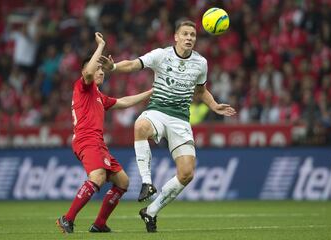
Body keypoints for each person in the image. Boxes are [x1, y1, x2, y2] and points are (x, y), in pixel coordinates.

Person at [99, 20, 236, 232]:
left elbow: (200, 90)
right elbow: (135, 64)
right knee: (140, 126)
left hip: (180, 119)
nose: (189, 38)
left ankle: (150, 212)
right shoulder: (161, 55)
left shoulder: (201, 63)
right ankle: (146, 182)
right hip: (158, 111)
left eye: (193, 35)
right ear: (176, 37)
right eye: (185, 34)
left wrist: (214, 105)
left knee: (187, 173)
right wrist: (114, 67)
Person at [56, 32, 153, 234]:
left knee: (123, 182)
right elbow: (89, 74)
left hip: (98, 143)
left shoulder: (98, 96)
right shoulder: (82, 86)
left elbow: (124, 102)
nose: (101, 72)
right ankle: (67, 219)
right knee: (98, 176)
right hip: (86, 140)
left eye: (103, 69)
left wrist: (151, 92)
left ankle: (99, 224)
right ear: (85, 70)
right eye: (98, 68)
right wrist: (100, 46)